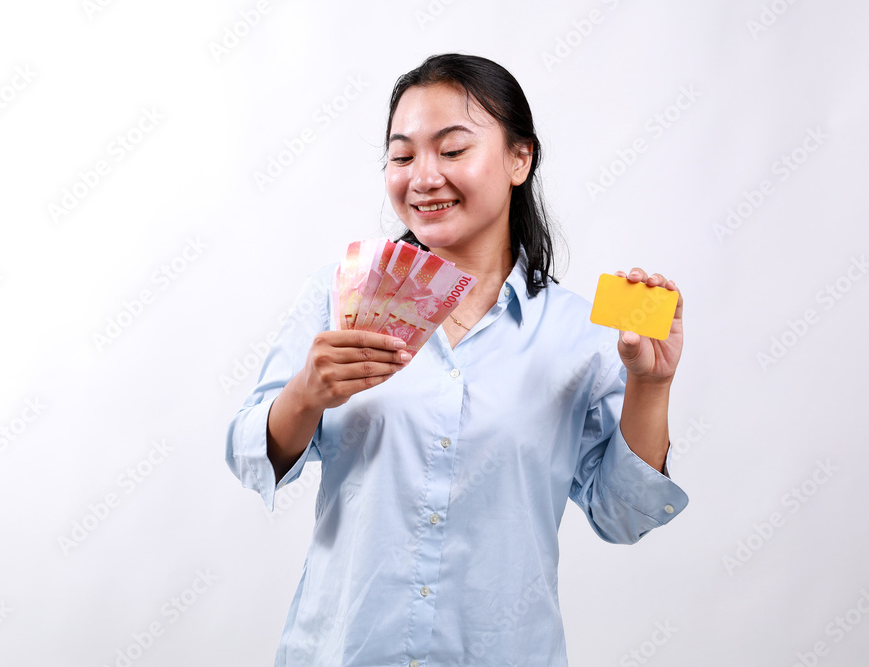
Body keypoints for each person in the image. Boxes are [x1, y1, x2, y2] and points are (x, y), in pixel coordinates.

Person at [226, 53, 688, 666]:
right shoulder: (339, 296)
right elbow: (248, 455)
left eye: (451, 150)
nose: (422, 177)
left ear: (519, 159)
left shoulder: (584, 333)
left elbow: (624, 515)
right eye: (401, 155)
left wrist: (650, 387)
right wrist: (305, 395)